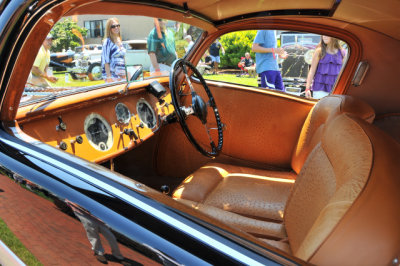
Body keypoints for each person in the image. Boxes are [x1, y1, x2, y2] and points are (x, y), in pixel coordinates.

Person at [101, 18, 126, 82]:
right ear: (109, 29)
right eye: (113, 26)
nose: (116, 27)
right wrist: (109, 77)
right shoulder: (107, 42)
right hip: (113, 77)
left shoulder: (120, 40)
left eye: (118, 25)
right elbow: (106, 61)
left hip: (123, 76)